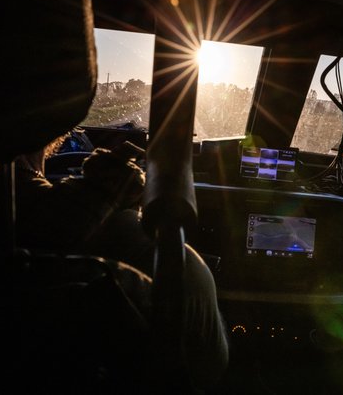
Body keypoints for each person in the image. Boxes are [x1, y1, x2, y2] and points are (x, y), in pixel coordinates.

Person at [14, 130, 230, 393]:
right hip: (157, 367)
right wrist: (105, 188)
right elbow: (44, 236)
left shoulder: (18, 183)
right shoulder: (2, 190)